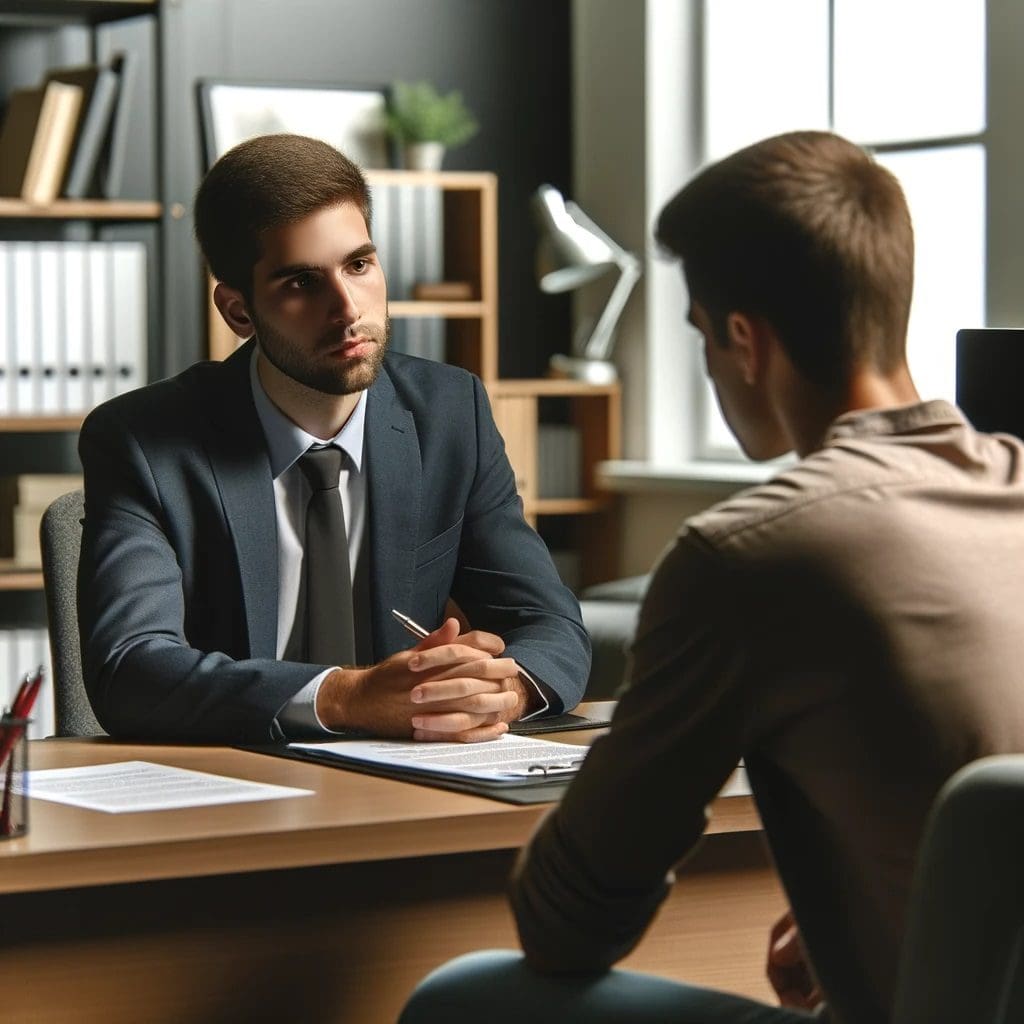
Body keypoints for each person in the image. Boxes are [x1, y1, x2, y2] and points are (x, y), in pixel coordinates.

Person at [398, 130, 1024, 1023]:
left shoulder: (751, 555)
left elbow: (568, 923)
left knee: (462, 998)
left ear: (744, 340)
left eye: (698, 334)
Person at [77, 133, 590, 745]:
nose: (347, 308)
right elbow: (129, 668)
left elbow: (548, 623)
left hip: (412, 778)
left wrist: (497, 689)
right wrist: (347, 696)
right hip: (236, 779)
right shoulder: (142, 441)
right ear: (239, 312)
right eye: (301, 283)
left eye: (359, 265)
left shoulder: (453, 414)